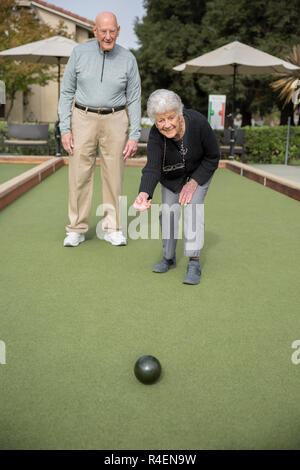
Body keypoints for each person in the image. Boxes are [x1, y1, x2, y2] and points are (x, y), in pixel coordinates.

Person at [58, 11, 141, 247]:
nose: (107, 36)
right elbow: (66, 93)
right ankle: (76, 228)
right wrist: (65, 128)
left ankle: (112, 227)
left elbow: (134, 98)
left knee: (114, 175)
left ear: (118, 31)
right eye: (103, 31)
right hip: (82, 117)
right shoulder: (79, 53)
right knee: (79, 174)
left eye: (112, 31)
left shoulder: (128, 59)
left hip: (116, 119)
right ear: (94, 30)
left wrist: (134, 135)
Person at [134, 89, 220, 285]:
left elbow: (213, 156)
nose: (166, 125)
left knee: (193, 208)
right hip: (171, 177)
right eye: (160, 121)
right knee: (168, 213)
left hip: (199, 173)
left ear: (179, 114)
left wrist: (194, 182)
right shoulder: (156, 135)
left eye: (171, 117)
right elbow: (152, 167)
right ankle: (169, 258)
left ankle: (194, 260)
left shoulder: (197, 122)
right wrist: (144, 193)